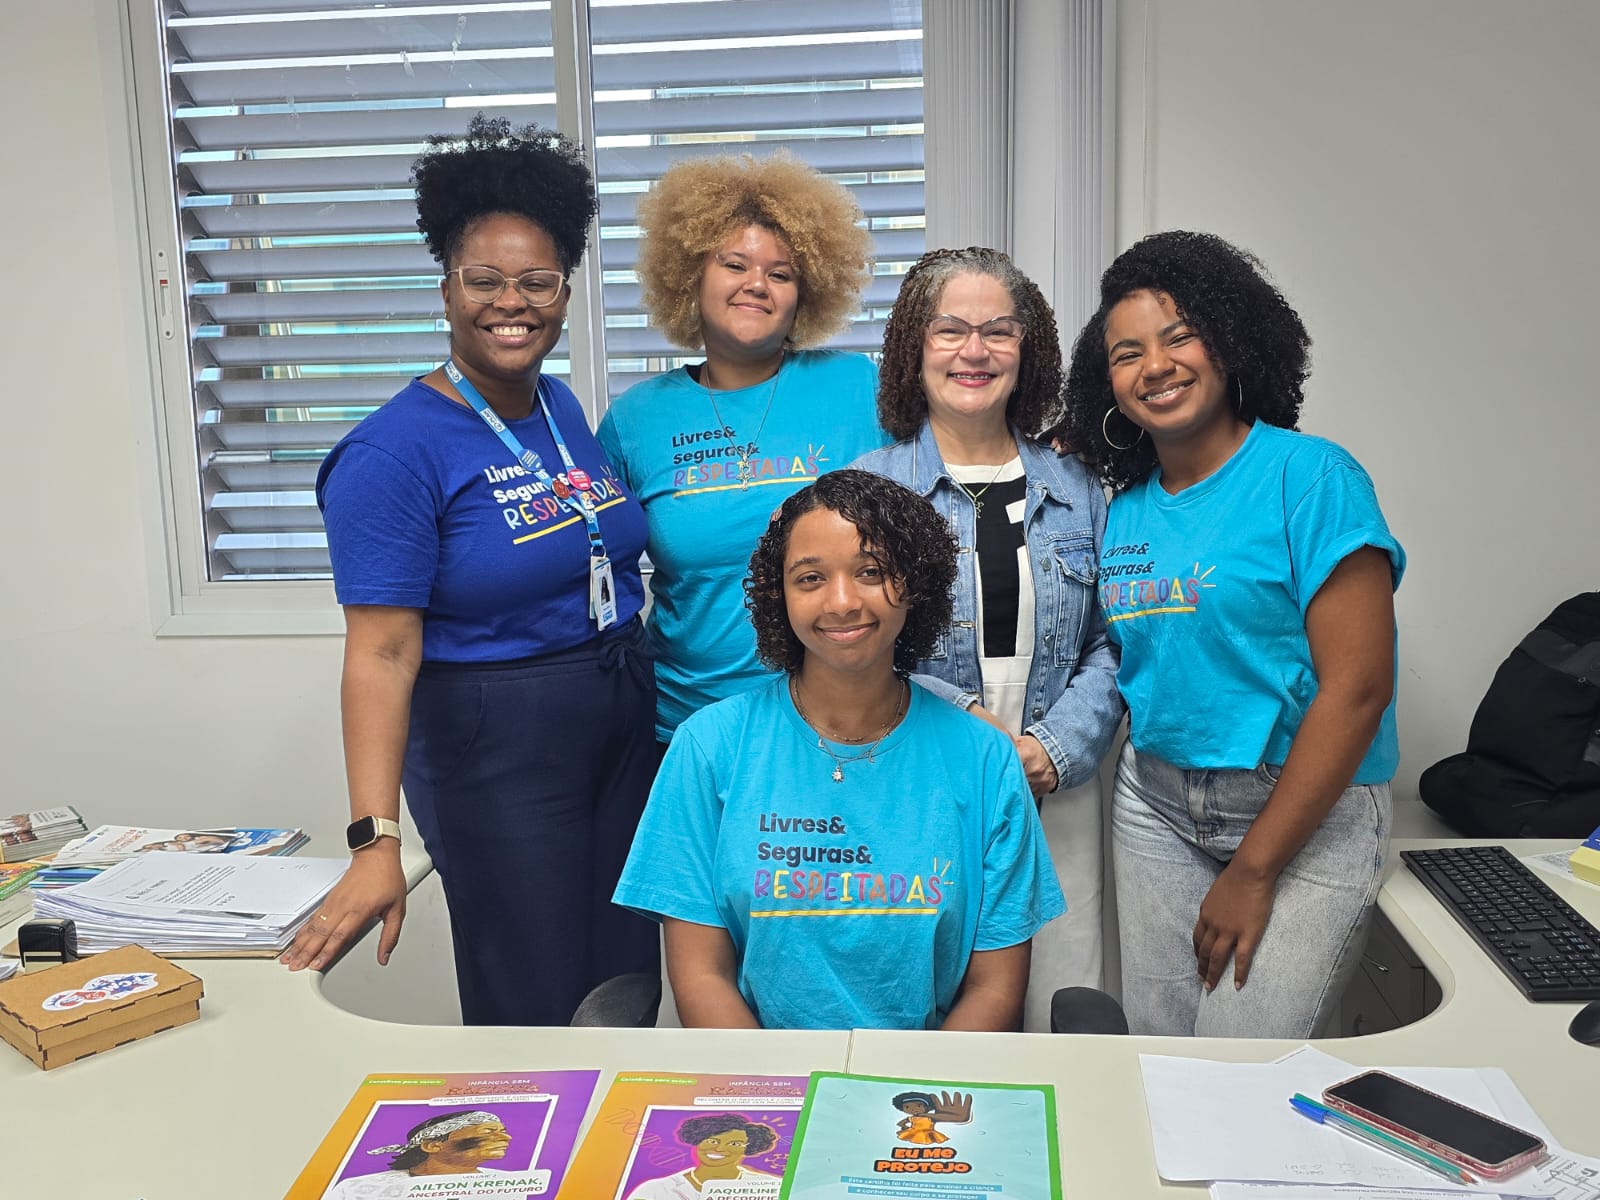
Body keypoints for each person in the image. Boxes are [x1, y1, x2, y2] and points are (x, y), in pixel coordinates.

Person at [281, 114, 660, 1027]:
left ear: (566, 290)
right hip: (498, 742)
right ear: (446, 287)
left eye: (537, 281)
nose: (511, 303)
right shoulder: (392, 455)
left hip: (617, 716)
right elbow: (378, 655)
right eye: (483, 280)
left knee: (624, 978)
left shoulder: (559, 406)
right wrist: (375, 840)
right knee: (535, 992)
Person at [1056, 230, 1405, 1038]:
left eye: (1180, 335)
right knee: (1163, 1061)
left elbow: (1359, 690)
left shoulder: (1312, 476)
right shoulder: (1127, 506)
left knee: (1238, 1067)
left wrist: (1254, 871)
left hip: (1304, 814)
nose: (1156, 366)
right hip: (1157, 807)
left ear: (1230, 340)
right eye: (1127, 352)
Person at [613, 470, 1064, 1031]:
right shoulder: (707, 748)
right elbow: (702, 978)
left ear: (916, 581)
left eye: (871, 571)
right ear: (780, 595)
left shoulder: (986, 761)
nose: (843, 602)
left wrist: (911, 1104)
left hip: (924, 1094)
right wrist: (774, 1101)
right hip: (764, 1090)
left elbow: (994, 988)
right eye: (810, 578)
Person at [851, 247, 1124, 1026]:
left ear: (1026, 349)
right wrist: (969, 726)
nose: (975, 351)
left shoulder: (1079, 489)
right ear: (914, 349)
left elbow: (1115, 639)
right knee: (929, 1007)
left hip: (1057, 792)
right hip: (919, 783)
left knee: (1058, 1007)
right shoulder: (869, 489)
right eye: (950, 330)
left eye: (998, 331)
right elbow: (858, 642)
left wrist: (1053, 747)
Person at [597, 153, 888, 749]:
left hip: (840, 720)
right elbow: (594, 570)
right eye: (734, 264)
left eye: (781, 274)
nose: (757, 283)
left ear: (805, 294)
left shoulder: (859, 386)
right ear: (689, 277)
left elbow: (961, 459)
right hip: (687, 728)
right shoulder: (637, 419)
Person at [323, 1111, 514, 1200]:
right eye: (488, 1131)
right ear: (432, 1145)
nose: (506, 1137)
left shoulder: (509, 1184)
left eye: (503, 1130)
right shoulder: (357, 1188)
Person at [625, 1114, 778, 1200]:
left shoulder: (772, 1186)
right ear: (698, 1141)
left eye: (735, 1144)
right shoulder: (656, 1190)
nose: (719, 1148)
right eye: (712, 1141)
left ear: (749, 1148)